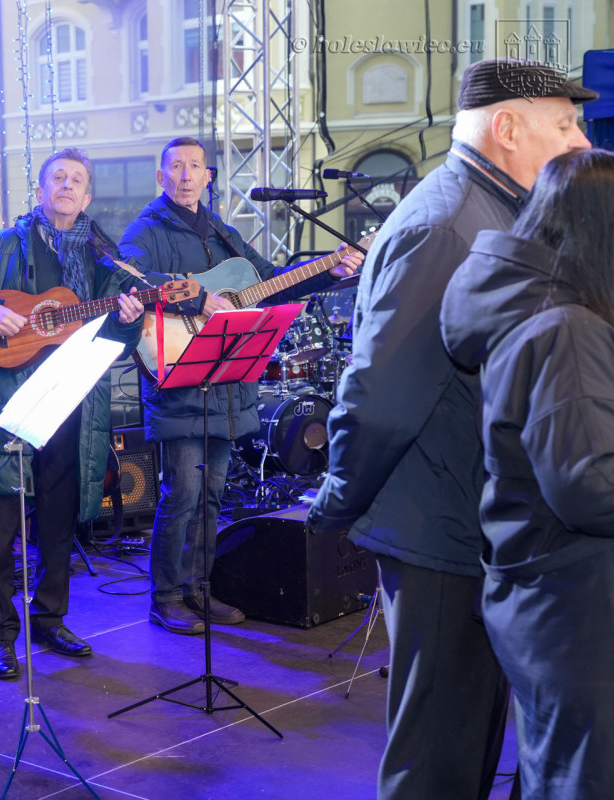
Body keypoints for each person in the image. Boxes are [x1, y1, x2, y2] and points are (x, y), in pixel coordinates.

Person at [306, 58, 595, 799]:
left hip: (469, 519)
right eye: (564, 124)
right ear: (506, 128)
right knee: (437, 755)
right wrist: (339, 500)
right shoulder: (446, 223)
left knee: (470, 739)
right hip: (436, 528)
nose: (581, 139)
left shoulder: (493, 206)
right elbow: (381, 395)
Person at [119, 136, 362, 635]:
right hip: (177, 378)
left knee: (211, 494)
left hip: (225, 383)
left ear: (209, 177)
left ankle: (201, 590)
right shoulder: (146, 229)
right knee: (181, 494)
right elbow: (127, 275)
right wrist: (198, 299)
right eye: (177, 167)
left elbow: (275, 280)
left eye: (196, 167)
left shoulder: (224, 233)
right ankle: (166, 597)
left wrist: (327, 271)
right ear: (161, 177)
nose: (186, 175)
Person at [0, 147, 145, 680]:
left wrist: (130, 318)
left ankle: (50, 618)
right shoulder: (4, 245)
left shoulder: (103, 259)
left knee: (57, 521)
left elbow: (117, 336)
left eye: (77, 180)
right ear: (42, 190)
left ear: (88, 196)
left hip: (74, 405)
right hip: (11, 402)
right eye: (58, 178)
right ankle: (1, 635)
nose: (68, 186)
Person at [441, 148, 614, 799]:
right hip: (575, 605)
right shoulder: (568, 331)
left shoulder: (558, 319)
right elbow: (589, 488)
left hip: (554, 598)